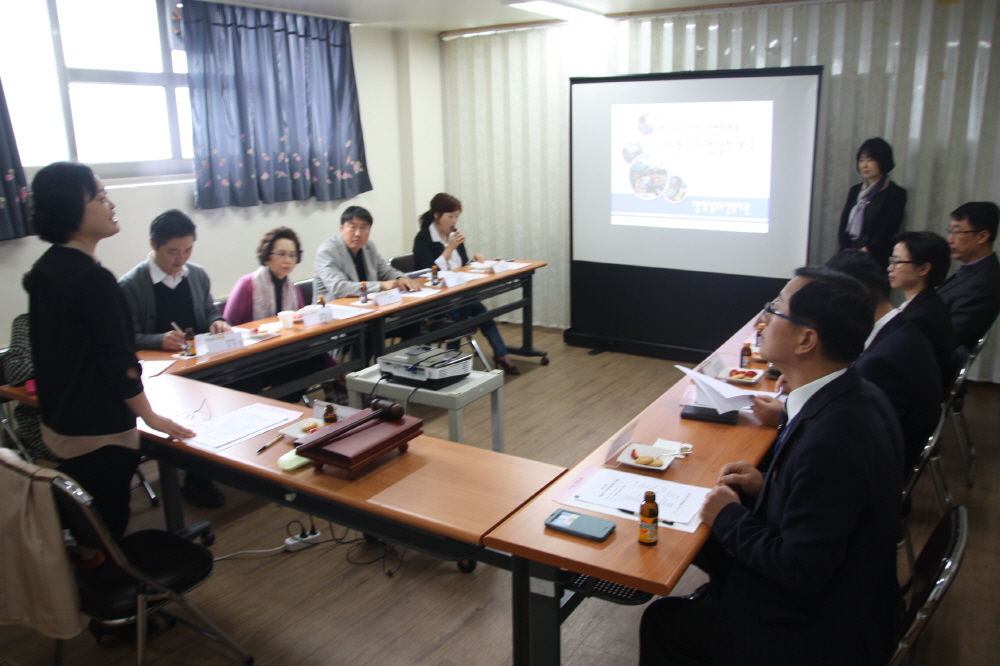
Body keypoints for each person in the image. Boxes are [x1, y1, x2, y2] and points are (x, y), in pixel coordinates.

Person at [640, 268, 902, 666]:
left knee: (663, 620)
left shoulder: (834, 440)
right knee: (699, 537)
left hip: (817, 631)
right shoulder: (855, 393)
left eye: (776, 309)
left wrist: (728, 516)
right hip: (843, 593)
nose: (762, 318)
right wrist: (768, 485)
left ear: (806, 340)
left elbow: (800, 570)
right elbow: (829, 505)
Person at [26, 162, 194, 538]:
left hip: (62, 423)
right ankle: (108, 572)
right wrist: (150, 416)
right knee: (106, 525)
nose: (111, 204)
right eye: (100, 197)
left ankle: (92, 561)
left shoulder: (46, 268)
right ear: (72, 209)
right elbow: (118, 361)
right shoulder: (93, 279)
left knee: (86, 523)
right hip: (98, 431)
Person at [118, 209, 229, 508]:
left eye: (188, 250)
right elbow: (125, 338)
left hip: (200, 363)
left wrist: (218, 322)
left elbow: (210, 312)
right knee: (197, 415)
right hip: (161, 375)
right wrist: (158, 340)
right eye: (173, 252)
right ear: (154, 245)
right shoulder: (131, 285)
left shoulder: (197, 274)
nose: (181, 259)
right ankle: (196, 479)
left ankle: (212, 468)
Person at [826, 250, 942, 470]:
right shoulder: (900, 329)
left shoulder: (882, 361)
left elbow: (852, 434)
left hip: (875, 468)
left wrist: (789, 415)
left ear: (849, 297)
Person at [412, 193, 521, 375]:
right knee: (467, 312)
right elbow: (429, 274)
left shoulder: (454, 235)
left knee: (480, 313)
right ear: (437, 215)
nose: (454, 221)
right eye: (450, 217)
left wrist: (473, 262)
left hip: (460, 293)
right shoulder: (423, 239)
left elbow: (461, 267)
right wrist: (449, 249)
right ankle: (455, 361)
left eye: (457, 217)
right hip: (437, 298)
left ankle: (495, 355)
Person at [313, 205, 418, 302]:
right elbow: (339, 287)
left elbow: (385, 271)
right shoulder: (328, 251)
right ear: (341, 228)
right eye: (352, 227)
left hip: (365, 305)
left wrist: (400, 278)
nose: (358, 233)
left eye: (363, 228)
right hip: (332, 309)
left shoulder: (368, 247)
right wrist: (380, 286)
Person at [890, 231, 955, 383]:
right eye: (891, 261)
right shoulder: (926, 302)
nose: (890, 268)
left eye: (897, 262)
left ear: (923, 269)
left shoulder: (921, 319)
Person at [5, 276, 56, 464]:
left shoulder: (80, 321)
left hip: (83, 410)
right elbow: (15, 370)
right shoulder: (26, 323)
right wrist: (63, 362)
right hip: (43, 420)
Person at [937, 201, 1000, 350]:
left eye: (957, 232)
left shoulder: (983, 284)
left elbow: (950, 337)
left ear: (982, 236)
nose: (949, 239)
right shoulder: (972, 271)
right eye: (949, 231)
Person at [837, 137, 907, 267]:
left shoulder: (896, 193)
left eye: (869, 160)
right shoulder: (855, 190)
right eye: (861, 160)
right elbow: (844, 223)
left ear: (883, 161)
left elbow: (889, 229)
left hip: (876, 258)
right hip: (848, 255)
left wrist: (865, 251)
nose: (864, 165)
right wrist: (846, 249)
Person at [223, 227, 306, 325]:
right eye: (281, 254)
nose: (288, 260)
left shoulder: (293, 289)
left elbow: (302, 320)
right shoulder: (246, 285)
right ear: (267, 256)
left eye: (292, 255)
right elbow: (229, 325)